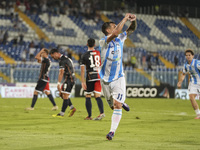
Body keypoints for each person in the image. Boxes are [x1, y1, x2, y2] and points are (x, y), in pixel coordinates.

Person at [99, 13, 136, 140]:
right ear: (107, 30)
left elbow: (131, 29)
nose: (117, 28)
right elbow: (115, 33)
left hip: (119, 78)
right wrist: (125, 18)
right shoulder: (103, 41)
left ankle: (111, 132)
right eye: (114, 26)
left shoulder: (121, 38)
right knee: (111, 106)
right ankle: (122, 102)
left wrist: (133, 21)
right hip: (105, 80)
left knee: (117, 105)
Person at [80, 38, 105, 120]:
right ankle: (102, 113)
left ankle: (89, 116)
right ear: (94, 45)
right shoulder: (98, 53)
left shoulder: (84, 55)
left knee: (88, 95)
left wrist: (83, 81)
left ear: (87, 44)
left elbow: (82, 70)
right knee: (97, 96)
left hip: (90, 76)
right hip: (98, 76)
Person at [50, 49, 76, 118]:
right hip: (70, 78)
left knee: (65, 96)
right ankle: (72, 107)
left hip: (69, 79)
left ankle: (61, 113)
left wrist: (58, 83)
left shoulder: (62, 61)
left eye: (53, 56)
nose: (53, 58)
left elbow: (61, 72)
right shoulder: (67, 58)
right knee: (61, 94)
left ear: (56, 53)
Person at [177, 49, 200, 119]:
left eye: (189, 55)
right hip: (193, 83)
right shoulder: (185, 65)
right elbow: (183, 74)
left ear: (193, 56)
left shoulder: (197, 63)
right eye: (186, 55)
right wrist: (180, 82)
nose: (188, 56)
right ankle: (198, 114)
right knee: (191, 96)